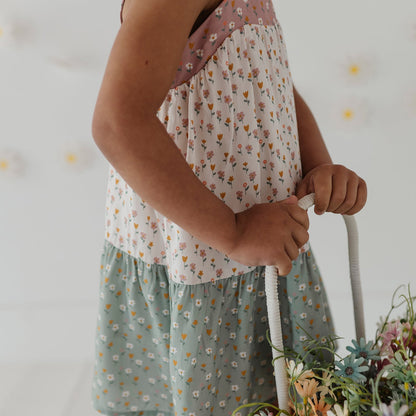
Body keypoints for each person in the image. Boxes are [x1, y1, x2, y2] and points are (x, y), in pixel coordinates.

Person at [90, 0, 367, 415]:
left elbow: (272, 83)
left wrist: (318, 166)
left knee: (290, 396)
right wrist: (234, 233)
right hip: (203, 265)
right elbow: (117, 122)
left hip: (263, 256)